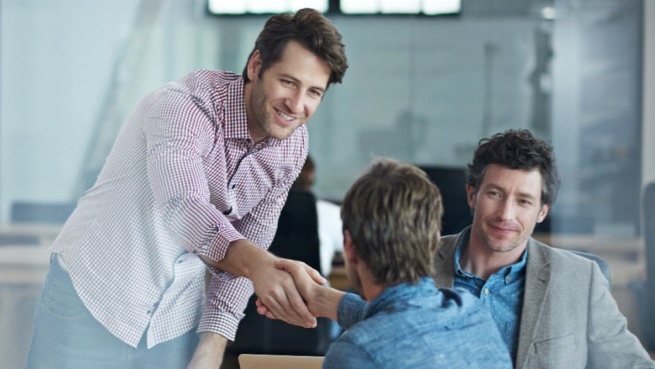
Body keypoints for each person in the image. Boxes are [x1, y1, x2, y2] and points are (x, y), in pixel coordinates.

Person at [25, 8, 349, 368]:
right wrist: (261, 266)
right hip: (93, 298)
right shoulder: (183, 105)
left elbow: (251, 242)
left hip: (171, 320)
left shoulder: (291, 146)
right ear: (256, 65)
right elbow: (183, 207)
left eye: (314, 92)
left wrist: (212, 346)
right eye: (288, 82)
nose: (297, 104)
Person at [264, 129, 655, 368]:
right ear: (472, 194)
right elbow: (398, 323)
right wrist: (319, 298)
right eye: (495, 194)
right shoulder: (419, 254)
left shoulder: (578, 280)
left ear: (542, 211)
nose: (505, 213)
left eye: (523, 201)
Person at [321, 159, 510, 368]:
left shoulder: (357, 352)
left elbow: (394, 326)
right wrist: (319, 298)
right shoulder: (472, 313)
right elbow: (404, 320)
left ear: (350, 246)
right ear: (433, 241)